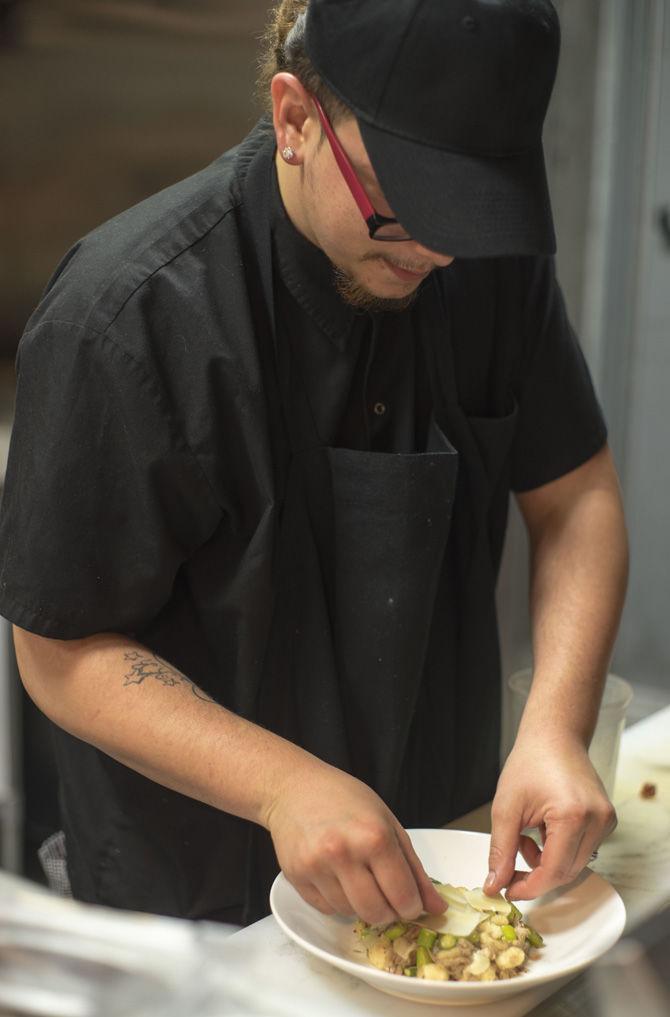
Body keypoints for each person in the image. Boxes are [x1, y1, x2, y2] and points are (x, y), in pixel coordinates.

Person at [0, 0, 627, 927]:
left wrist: (555, 728)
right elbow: (59, 650)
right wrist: (281, 786)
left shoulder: (482, 264)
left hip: (442, 851)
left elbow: (575, 494)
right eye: (402, 206)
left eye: (471, 209)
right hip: (195, 901)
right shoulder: (124, 318)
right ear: (296, 118)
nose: (438, 248)